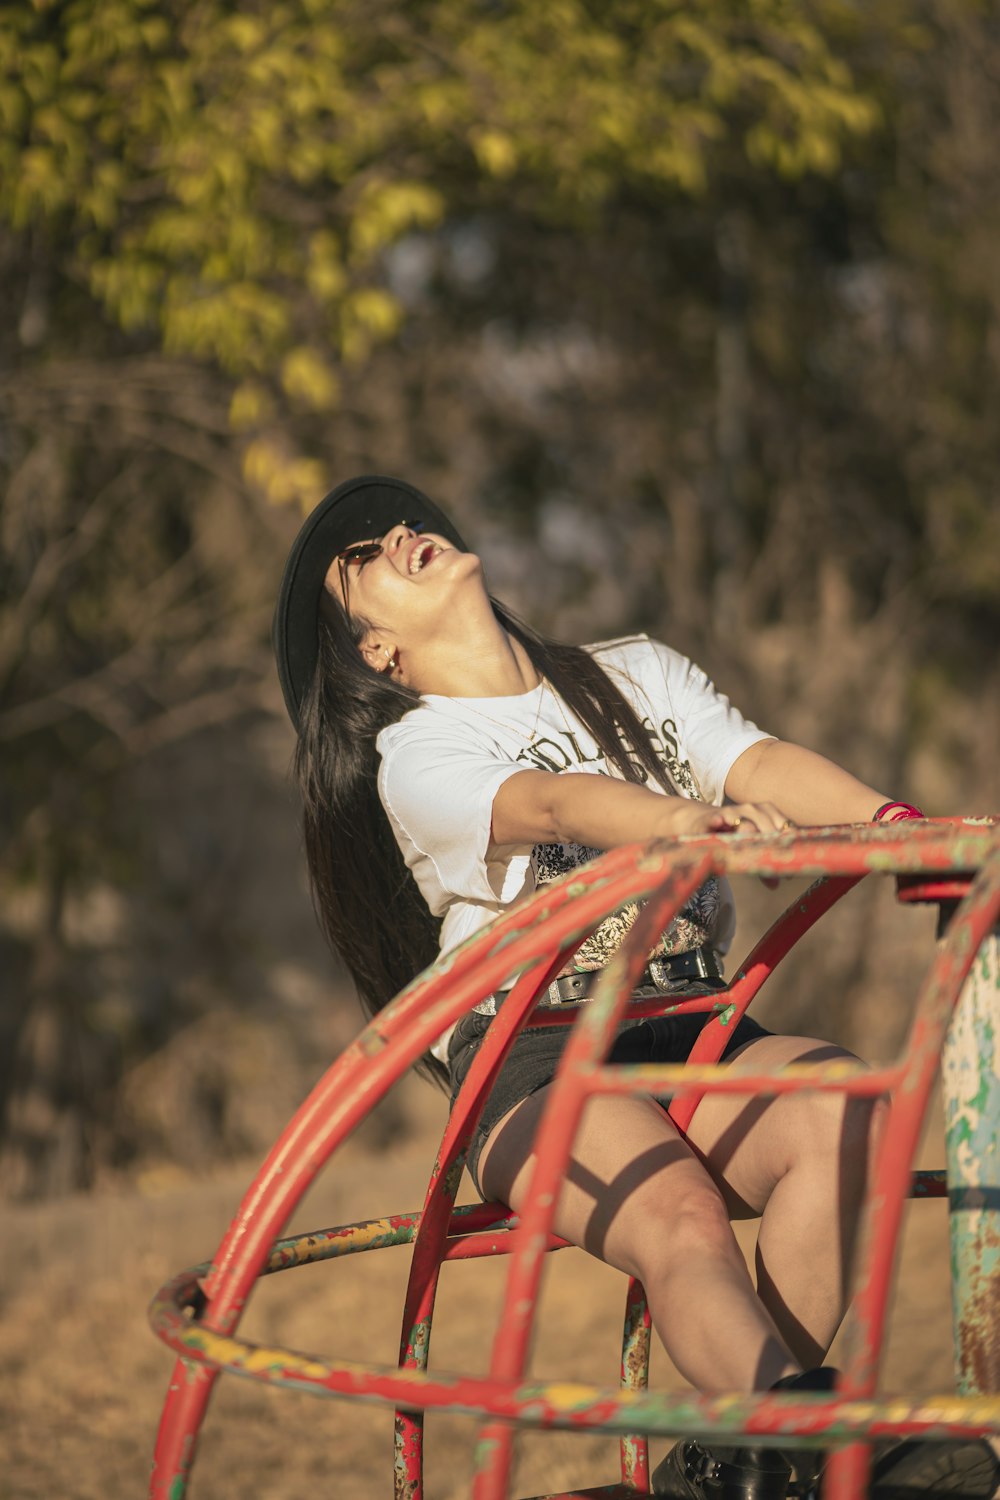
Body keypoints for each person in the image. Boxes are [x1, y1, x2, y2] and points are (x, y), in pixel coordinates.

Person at [272, 474, 998, 1500]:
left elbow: (755, 760)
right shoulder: (418, 751)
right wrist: (670, 824)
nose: (400, 533)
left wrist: (895, 828)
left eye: (404, 524)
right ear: (374, 652)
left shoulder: (634, 673)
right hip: (535, 1061)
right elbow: (550, 799)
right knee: (680, 1216)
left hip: (690, 1027)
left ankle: (753, 1454)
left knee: (844, 1109)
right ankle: (807, 1450)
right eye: (363, 557)